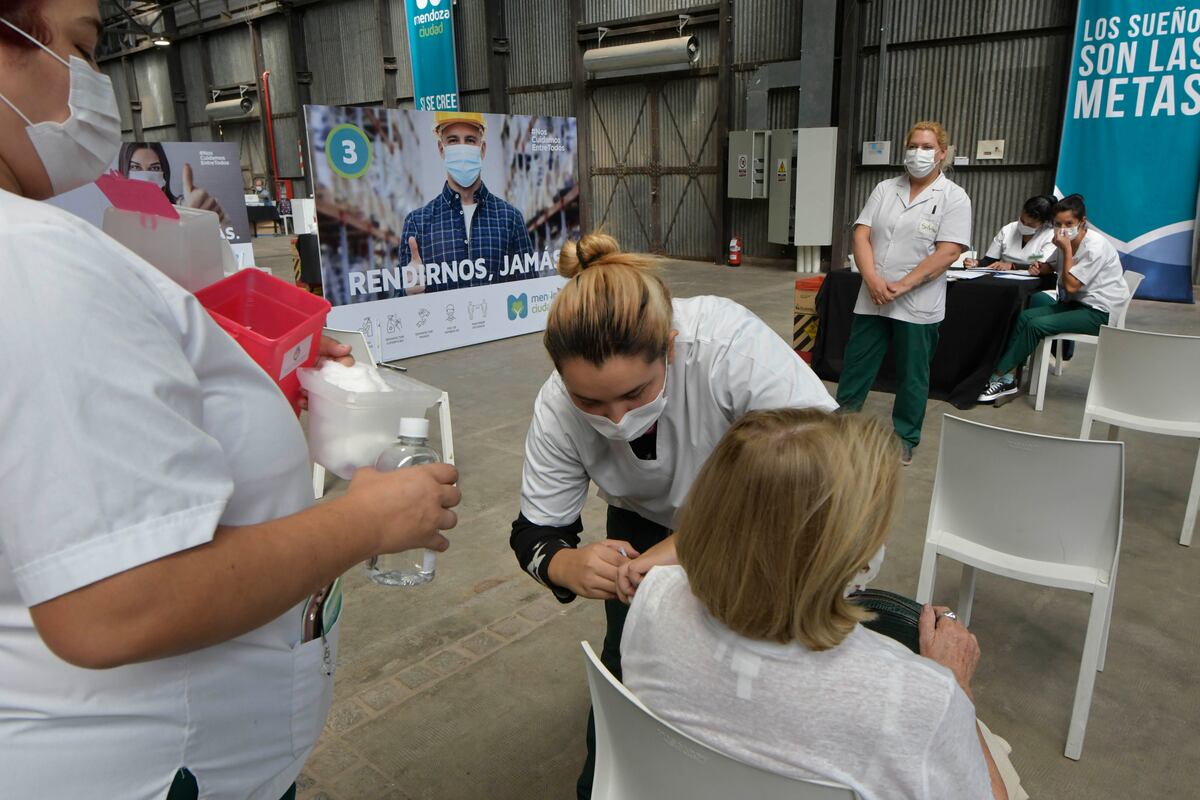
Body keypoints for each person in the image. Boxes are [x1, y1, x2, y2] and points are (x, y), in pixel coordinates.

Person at [0, 3, 461, 798]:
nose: (95, 84)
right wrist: (367, 520)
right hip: (151, 769)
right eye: (78, 46)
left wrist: (235, 361)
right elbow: (114, 605)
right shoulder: (34, 261)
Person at [507, 232, 837, 798]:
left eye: (635, 394)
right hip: (640, 527)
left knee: (764, 669)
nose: (615, 420)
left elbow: (825, 475)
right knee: (633, 669)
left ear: (671, 347)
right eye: (591, 403)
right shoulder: (557, 404)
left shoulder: (728, 346)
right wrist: (570, 566)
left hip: (760, 515)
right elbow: (536, 532)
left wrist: (689, 549)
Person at [621, 408, 1026, 800]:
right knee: (995, 751)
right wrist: (957, 686)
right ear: (851, 555)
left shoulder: (654, 599)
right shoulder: (917, 699)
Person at [835, 121, 971, 466]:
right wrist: (873, 280)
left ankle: (905, 437)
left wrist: (902, 285)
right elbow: (862, 235)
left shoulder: (954, 197)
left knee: (913, 374)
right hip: (873, 295)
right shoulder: (884, 189)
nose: (918, 153)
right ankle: (841, 426)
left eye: (927, 147)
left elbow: (949, 251)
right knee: (857, 364)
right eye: (913, 146)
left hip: (916, 301)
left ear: (942, 153)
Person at [977, 194, 1130, 403]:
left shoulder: (1095, 247)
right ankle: (1008, 377)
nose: (1063, 229)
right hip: (1074, 304)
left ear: (1082, 222)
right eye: (1058, 224)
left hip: (1099, 312)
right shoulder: (1061, 241)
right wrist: (1039, 267)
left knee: (1036, 325)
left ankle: (998, 375)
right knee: (1025, 317)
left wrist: (1066, 249)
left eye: (1069, 223)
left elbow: (1071, 285)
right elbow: (1049, 265)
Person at [394, 111, 535, 296]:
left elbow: (531, 289)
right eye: (453, 140)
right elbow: (397, 302)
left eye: (470, 140)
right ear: (441, 149)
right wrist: (408, 293)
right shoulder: (417, 223)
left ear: (482, 149)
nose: (462, 148)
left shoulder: (510, 218)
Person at [118, 140, 231, 225]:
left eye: (155, 168)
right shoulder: (117, 220)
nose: (146, 178)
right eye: (135, 167)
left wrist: (210, 218)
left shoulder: (181, 207)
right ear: (123, 171)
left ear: (164, 174)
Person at [964, 194, 1056, 270]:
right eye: (1022, 221)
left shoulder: (1050, 235)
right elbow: (989, 261)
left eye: (1030, 225)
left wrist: (1012, 266)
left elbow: (1044, 267)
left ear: (1044, 223)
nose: (1024, 226)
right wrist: (976, 262)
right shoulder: (1008, 229)